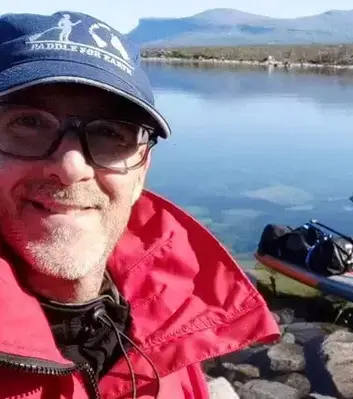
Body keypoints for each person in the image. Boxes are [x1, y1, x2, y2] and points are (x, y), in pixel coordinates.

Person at [0, 10, 280, 399]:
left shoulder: (170, 320)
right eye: (28, 123)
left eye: (109, 133)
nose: (70, 167)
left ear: (141, 172)